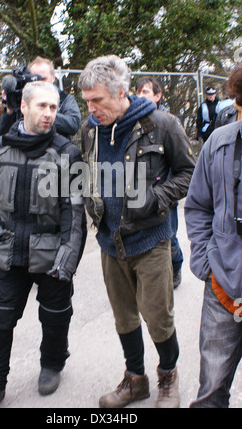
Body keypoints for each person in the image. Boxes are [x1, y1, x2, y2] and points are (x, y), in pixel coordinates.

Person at [79, 55, 195, 408]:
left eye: (97, 100)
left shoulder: (162, 125)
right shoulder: (89, 129)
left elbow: (188, 175)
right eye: (87, 102)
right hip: (110, 243)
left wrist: (155, 198)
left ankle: (168, 377)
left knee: (158, 317)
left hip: (151, 242)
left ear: (121, 92)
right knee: (124, 317)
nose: (92, 108)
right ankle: (135, 380)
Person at [0, 81, 86, 408]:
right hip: (7, 250)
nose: (49, 113)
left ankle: (52, 364)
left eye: (53, 107)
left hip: (51, 253)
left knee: (55, 315)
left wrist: (66, 262)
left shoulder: (66, 152)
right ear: (24, 107)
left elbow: (73, 213)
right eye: (42, 106)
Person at [184, 117, 242, 408]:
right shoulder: (219, 142)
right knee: (211, 389)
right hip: (224, 284)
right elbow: (198, 205)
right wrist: (206, 263)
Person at [135, 76, 184, 288]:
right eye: (137, 92)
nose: (140, 96)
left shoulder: (169, 123)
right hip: (142, 195)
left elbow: (180, 165)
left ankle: (176, 266)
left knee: (169, 237)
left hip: (164, 194)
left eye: (145, 92)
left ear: (157, 96)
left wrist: (166, 194)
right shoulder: (133, 123)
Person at [0, 57, 81, 139]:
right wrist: (10, 108)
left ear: (53, 78)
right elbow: (2, 135)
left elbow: (73, 125)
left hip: (57, 151)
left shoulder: (64, 99)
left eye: (43, 79)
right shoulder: (24, 100)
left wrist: (44, 115)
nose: (40, 83)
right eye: (35, 80)